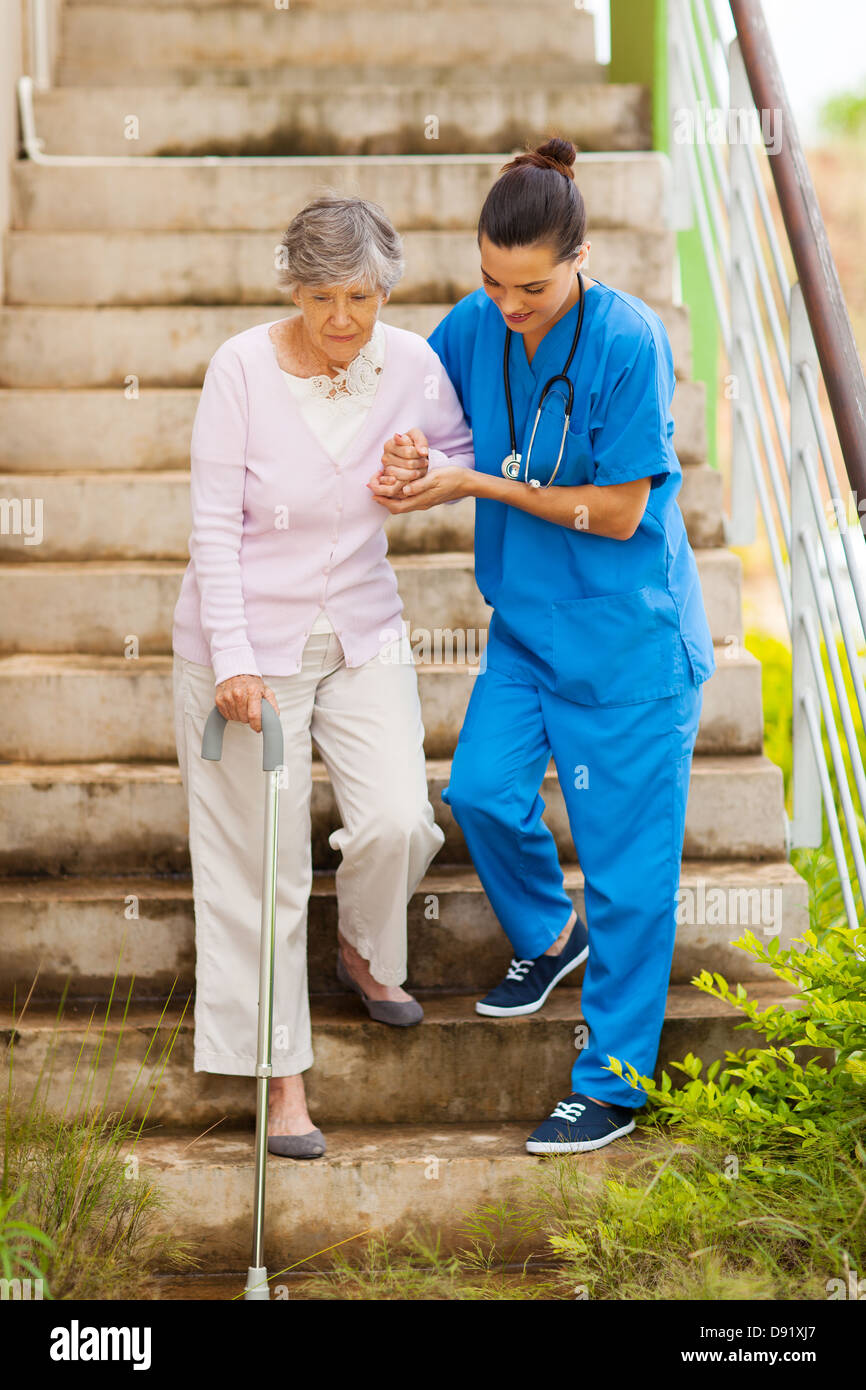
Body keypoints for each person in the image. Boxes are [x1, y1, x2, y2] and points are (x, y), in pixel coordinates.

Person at [369, 138, 716, 1154]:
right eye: (488, 277)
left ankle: (610, 1081)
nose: (504, 304)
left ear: (581, 258)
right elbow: (426, 414)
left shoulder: (627, 341)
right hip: (526, 628)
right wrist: (409, 456)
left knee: (626, 877)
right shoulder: (477, 324)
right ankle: (545, 936)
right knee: (477, 789)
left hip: (627, 646)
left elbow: (613, 514)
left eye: (527, 285)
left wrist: (469, 485)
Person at [172, 194, 474, 1158]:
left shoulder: (415, 363)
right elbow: (214, 526)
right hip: (245, 647)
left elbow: (456, 456)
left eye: (358, 296)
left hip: (361, 629)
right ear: (290, 289)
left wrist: (417, 465)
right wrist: (233, 660)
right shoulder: (242, 371)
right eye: (319, 297)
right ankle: (283, 1086)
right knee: (261, 868)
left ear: (384, 288)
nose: (341, 319)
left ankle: (361, 950)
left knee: (398, 818)